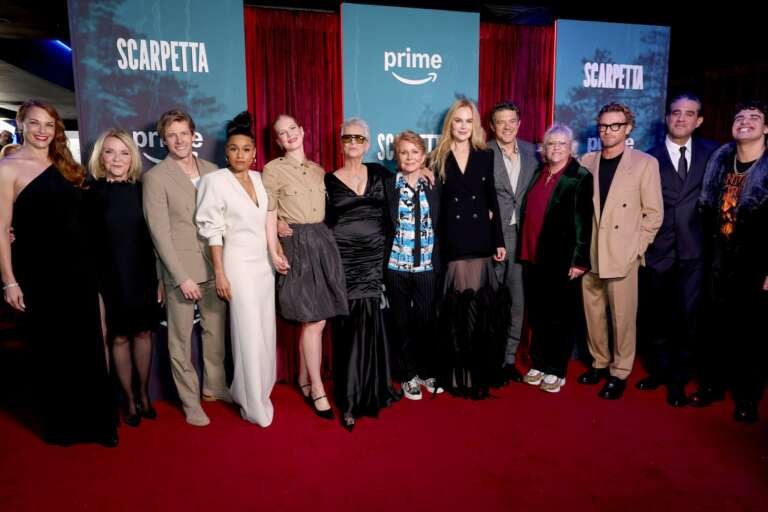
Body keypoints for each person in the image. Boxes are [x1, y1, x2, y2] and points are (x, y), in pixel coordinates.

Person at [0, 99, 117, 446]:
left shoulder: (64, 163)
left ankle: (98, 424)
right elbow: (1, 228)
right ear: (21, 124)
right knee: (53, 348)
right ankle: (63, 426)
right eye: (35, 123)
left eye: (49, 125)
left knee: (87, 343)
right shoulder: (7, 168)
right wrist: (9, 281)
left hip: (80, 268)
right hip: (40, 271)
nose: (42, 131)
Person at [196, 111, 288, 426]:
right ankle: (253, 405)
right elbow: (212, 231)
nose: (240, 154)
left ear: (254, 153)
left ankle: (257, 390)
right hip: (237, 265)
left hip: (264, 266)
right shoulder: (214, 181)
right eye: (234, 149)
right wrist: (220, 272)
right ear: (226, 152)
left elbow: (269, 220)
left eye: (246, 149)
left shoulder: (262, 180)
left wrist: (277, 246)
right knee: (247, 333)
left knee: (264, 331)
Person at [142, 109, 228, 427]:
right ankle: (190, 403)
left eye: (183, 133)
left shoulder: (213, 170)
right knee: (179, 342)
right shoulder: (155, 178)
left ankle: (214, 386)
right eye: (171, 135)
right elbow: (159, 233)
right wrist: (179, 278)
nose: (179, 140)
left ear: (194, 135)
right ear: (164, 140)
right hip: (180, 272)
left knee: (215, 334)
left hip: (214, 266)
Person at [264, 114, 348, 420]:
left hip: (322, 241)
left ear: (302, 130)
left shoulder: (318, 170)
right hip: (296, 244)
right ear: (278, 141)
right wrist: (274, 247)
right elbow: (268, 213)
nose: (289, 135)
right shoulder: (272, 170)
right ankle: (318, 388)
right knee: (312, 319)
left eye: (292, 129)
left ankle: (303, 377)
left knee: (316, 319)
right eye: (282, 133)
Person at [638, 94, 719, 407]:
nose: (681, 118)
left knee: (687, 319)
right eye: (676, 113)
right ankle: (658, 371)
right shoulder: (647, 158)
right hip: (657, 250)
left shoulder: (715, 154)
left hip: (696, 252)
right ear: (667, 118)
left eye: (689, 113)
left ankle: (678, 381)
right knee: (655, 317)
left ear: (699, 120)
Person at [578, 102, 663, 400]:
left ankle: (620, 371)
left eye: (615, 125)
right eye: (603, 125)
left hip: (622, 254)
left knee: (622, 318)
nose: (608, 131)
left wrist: (635, 250)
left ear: (628, 128)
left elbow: (653, 214)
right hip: (590, 253)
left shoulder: (644, 163)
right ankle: (599, 363)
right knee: (593, 315)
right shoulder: (587, 161)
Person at [692, 100, 768, 423]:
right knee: (714, 327)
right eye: (739, 117)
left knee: (751, 334)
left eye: (754, 117)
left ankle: (747, 397)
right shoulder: (721, 159)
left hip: (755, 263)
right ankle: (712, 386)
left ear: (766, 128)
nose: (745, 122)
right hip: (718, 259)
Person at [325, 117, 400, 430]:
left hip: (374, 258)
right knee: (349, 326)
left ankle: (374, 390)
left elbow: (407, 179)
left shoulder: (381, 173)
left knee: (371, 321)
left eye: (359, 138)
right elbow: (315, 216)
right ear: (341, 143)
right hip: (344, 261)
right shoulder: (328, 180)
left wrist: (423, 170)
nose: (353, 143)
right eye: (348, 138)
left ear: (367, 144)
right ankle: (350, 399)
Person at [431, 99, 507, 399]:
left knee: (479, 312)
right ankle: (457, 374)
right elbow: (435, 203)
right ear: (450, 123)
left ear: (474, 125)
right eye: (458, 120)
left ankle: (478, 372)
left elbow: (492, 200)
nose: (463, 126)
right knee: (457, 314)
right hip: (453, 241)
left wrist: (498, 240)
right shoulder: (437, 157)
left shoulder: (485, 155)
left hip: (480, 240)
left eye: (468, 121)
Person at [87, 129, 160, 426]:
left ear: (132, 158)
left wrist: (160, 278)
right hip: (109, 278)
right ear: (100, 157)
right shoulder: (89, 194)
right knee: (117, 337)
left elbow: (157, 238)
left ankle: (143, 394)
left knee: (143, 333)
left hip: (142, 274)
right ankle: (128, 400)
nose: (117, 159)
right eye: (110, 152)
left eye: (124, 152)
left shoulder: (144, 191)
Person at [518, 124, 593, 393]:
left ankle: (556, 369)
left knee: (558, 317)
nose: (556, 148)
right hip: (533, 255)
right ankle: (538, 363)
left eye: (562, 143)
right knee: (538, 314)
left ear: (571, 148)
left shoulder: (579, 176)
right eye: (551, 143)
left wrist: (579, 260)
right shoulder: (540, 173)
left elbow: (584, 221)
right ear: (544, 148)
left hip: (561, 259)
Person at [383, 130, 443, 400]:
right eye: (403, 152)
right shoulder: (388, 185)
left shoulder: (434, 184)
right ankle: (408, 375)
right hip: (396, 266)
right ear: (396, 157)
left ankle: (426, 370)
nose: (409, 157)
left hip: (426, 266)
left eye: (414, 152)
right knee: (401, 323)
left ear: (423, 155)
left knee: (426, 322)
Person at [487, 102, 538, 383]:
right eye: (500, 122)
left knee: (517, 303)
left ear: (519, 123)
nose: (507, 127)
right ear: (492, 126)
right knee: (490, 301)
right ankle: (489, 358)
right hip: (493, 238)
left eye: (511, 121)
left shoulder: (534, 153)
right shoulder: (482, 153)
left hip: (523, 237)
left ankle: (508, 359)